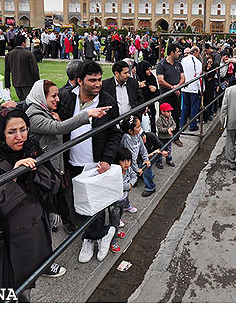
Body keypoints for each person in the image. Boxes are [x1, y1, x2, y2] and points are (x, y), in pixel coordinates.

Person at [0, 108, 63, 302]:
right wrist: (14, 179)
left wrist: (33, 171)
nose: (20, 136)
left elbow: (54, 186)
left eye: (23, 129)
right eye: (12, 132)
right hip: (3, 247)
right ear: (0, 134)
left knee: (26, 289)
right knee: (3, 297)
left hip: (34, 237)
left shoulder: (33, 150)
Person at [56, 61, 121, 263]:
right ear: (79, 81)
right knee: (79, 203)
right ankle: (95, 234)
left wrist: (106, 160)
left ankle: (96, 236)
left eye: (100, 79)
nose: (97, 84)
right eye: (92, 80)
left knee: (97, 203)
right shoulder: (66, 97)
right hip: (72, 163)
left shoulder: (108, 101)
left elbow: (114, 134)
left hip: (96, 163)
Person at [26, 79, 110, 234]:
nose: (57, 99)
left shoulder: (44, 111)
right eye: (53, 96)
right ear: (40, 96)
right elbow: (59, 128)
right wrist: (87, 114)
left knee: (59, 196)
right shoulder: (34, 115)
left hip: (53, 167)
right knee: (48, 202)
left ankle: (66, 221)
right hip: (44, 170)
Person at [156, 43, 185, 146]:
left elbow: (183, 77)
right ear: (172, 53)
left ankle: (176, 136)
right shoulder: (161, 65)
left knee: (176, 116)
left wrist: (177, 86)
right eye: (177, 52)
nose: (179, 53)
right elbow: (160, 80)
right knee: (163, 117)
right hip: (166, 95)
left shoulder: (178, 64)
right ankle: (162, 140)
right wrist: (172, 88)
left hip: (176, 95)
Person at [119, 115, 154, 198]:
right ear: (130, 131)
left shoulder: (138, 134)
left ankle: (149, 185)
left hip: (134, 161)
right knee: (126, 182)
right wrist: (136, 169)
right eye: (138, 127)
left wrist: (146, 159)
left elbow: (143, 148)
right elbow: (130, 156)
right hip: (127, 163)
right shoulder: (127, 138)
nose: (140, 128)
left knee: (146, 165)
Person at [108, 147, 134, 253]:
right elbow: (117, 186)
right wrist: (128, 186)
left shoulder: (128, 170)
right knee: (114, 221)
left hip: (122, 200)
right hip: (115, 202)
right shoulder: (115, 173)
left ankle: (116, 231)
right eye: (123, 161)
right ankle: (112, 242)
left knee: (118, 218)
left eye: (128, 161)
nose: (126, 163)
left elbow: (134, 176)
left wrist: (131, 183)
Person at [4, 34, 40, 101]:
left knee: (22, 100)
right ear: (23, 43)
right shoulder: (28, 54)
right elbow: (34, 70)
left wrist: (7, 84)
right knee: (29, 101)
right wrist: (37, 82)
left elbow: (7, 71)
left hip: (16, 82)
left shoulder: (9, 55)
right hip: (28, 82)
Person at [180, 46, 203, 132]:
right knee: (194, 107)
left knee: (185, 107)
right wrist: (200, 89)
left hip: (184, 87)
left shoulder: (183, 60)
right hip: (193, 88)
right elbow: (198, 77)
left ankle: (182, 124)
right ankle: (193, 125)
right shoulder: (197, 62)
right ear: (195, 52)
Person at [136, 60, 159, 133]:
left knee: (151, 125)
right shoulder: (138, 79)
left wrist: (155, 90)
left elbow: (158, 94)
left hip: (151, 105)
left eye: (150, 69)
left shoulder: (152, 78)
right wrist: (139, 86)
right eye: (147, 69)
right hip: (141, 107)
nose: (150, 71)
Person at [156, 103, 176, 168]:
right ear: (162, 112)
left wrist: (171, 128)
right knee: (161, 150)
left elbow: (174, 124)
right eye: (168, 111)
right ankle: (159, 161)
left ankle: (169, 159)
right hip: (162, 138)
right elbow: (160, 129)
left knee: (169, 149)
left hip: (169, 137)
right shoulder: (159, 119)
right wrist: (167, 130)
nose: (169, 113)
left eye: (170, 111)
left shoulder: (170, 118)